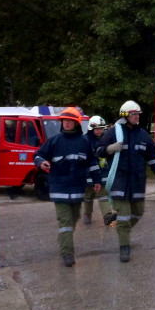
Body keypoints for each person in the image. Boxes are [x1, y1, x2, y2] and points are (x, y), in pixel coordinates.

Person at [96, 100, 155, 263]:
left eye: (138, 114)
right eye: (134, 114)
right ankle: (124, 248)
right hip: (120, 182)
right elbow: (99, 151)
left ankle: (121, 226)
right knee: (125, 216)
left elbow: (152, 157)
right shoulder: (113, 133)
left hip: (137, 182)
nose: (137, 117)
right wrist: (110, 148)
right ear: (125, 116)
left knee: (138, 213)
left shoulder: (143, 136)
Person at [34, 107, 102, 267]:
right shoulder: (55, 140)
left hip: (77, 189)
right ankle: (67, 254)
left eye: (70, 121)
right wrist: (41, 163)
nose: (67, 123)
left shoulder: (84, 142)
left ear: (76, 123)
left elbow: (92, 163)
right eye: (64, 120)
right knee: (65, 221)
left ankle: (63, 241)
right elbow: (38, 155)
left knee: (72, 220)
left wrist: (97, 180)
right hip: (60, 188)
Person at [83, 115, 112, 224]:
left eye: (101, 128)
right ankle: (87, 213)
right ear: (91, 129)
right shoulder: (85, 140)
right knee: (88, 196)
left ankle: (107, 215)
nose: (99, 131)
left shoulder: (106, 140)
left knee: (103, 195)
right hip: (88, 174)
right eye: (97, 129)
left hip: (103, 173)